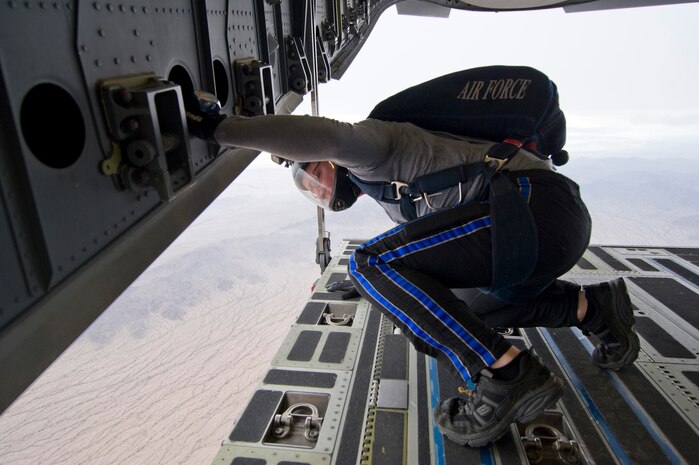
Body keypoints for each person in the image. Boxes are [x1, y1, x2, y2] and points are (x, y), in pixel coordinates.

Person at [184, 92, 640, 448]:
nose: (318, 188)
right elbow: (429, 275)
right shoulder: (393, 196)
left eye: (314, 174)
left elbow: (330, 137)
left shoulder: (374, 147)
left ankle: (505, 374)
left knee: (369, 261)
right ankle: (593, 309)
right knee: (471, 310)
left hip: (531, 206)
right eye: (309, 187)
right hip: (545, 227)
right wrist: (374, 290)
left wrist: (224, 130)